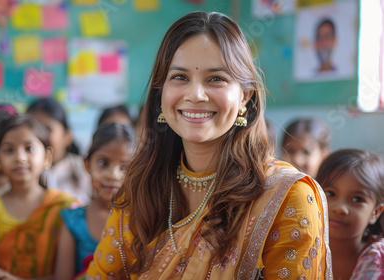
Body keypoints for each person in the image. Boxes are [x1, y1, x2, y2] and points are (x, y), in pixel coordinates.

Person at [86, 11, 332, 279]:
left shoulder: (285, 198)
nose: (195, 94)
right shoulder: (142, 187)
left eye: (216, 78)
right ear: (161, 93)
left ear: (244, 97)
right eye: (180, 77)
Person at [0, 114, 79, 279]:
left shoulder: (64, 206)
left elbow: (64, 277)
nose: (20, 158)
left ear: (47, 157)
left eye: (29, 148)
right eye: (9, 150)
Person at [54, 123, 136, 279]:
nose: (113, 175)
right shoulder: (73, 220)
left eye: (124, 166)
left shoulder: (141, 220)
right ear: (87, 165)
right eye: (103, 163)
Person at [316, 149, 384, 279]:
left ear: (375, 212)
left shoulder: (378, 259)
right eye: (330, 193)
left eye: (357, 199)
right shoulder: (298, 246)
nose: (340, 208)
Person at [27, 98, 92, 205]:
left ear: (67, 136)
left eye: (47, 129)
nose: (40, 136)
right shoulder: (22, 170)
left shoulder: (84, 170)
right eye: (33, 128)